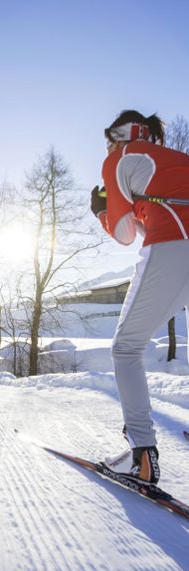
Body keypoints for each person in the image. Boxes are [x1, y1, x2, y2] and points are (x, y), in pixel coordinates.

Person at [91, 109, 189, 484]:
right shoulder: (175, 158)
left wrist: (102, 209)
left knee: (126, 348)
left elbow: (124, 233)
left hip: (172, 244)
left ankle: (142, 458)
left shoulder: (118, 157)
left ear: (116, 134)